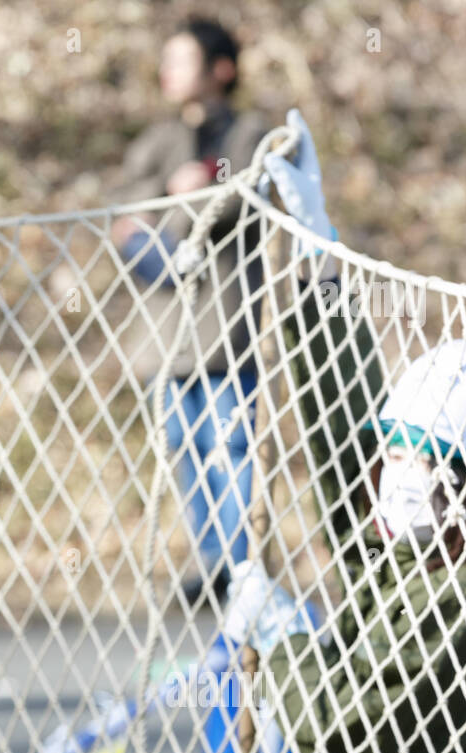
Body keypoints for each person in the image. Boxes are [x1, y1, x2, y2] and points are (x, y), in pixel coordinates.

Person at [226, 110, 466, 753]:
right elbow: (345, 429)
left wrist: (279, 642)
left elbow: (348, 716)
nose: (394, 478)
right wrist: (320, 263)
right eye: (395, 455)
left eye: (421, 460)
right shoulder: (415, 552)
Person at [108, 18, 271, 605]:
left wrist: (187, 196)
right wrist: (170, 219)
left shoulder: (251, 134)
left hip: (226, 325)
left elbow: (238, 202)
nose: (167, 72)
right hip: (166, 330)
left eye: (182, 60)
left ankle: (241, 565)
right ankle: (208, 564)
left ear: (221, 70)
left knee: (230, 445)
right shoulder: (154, 143)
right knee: (184, 445)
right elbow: (127, 226)